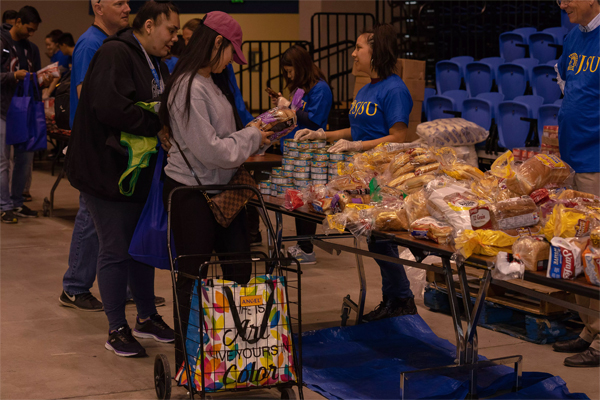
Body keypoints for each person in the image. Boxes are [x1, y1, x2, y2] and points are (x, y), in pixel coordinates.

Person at [65, 1, 179, 357]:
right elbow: (108, 106)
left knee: (141, 247)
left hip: (136, 174)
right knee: (115, 249)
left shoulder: (154, 63)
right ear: (148, 26)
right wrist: (156, 121)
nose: (174, 38)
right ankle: (116, 327)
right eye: (170, 30)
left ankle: (146, 316)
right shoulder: (115, 52)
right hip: (106, 172)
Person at [159, 11, 272, 367]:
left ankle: (235, 356)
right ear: (217, 43)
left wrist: (260, 134)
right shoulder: (188, 87)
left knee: (239, 271)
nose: (231, 62)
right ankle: (187, 363)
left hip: (223, 193)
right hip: (194, 194)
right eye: (230, 53)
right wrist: (253, 135)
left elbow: (225, 141)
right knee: (192, 278)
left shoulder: (211, 83)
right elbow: (213, 151)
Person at [295, 24, 416, 321]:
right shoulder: (365, 88)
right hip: (361, 175)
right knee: (375, 240)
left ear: (377, 52)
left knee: (383, 240)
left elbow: (399, 137)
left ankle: (401, 299)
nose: (353, 53)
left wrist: (359, 144)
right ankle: (394, 300)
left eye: (359, 47)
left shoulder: (395, 89)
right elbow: (357, 129)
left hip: (384, 176)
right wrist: (323, 135)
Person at [59, 0, 132, 312]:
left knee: (109, 220)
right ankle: (75, 286)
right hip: (94, 148)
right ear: (98, 7)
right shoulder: (90, 44)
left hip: (108, 146)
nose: (127, 7)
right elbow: (87, 96)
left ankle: (121, 287)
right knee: (91, 218)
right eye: (119, 2)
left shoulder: (111, 43)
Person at [552, 0, 600, 368]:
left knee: (598, 252)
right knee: (578, 248)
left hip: (596, 162)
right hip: (571, 158)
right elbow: (568, 91)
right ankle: (591, 328)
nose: (563, 3)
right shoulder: (572, 37)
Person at [270, 45, 332, 264]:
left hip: (309, 153)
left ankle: (307, 248)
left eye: (291, 71)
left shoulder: (320, 89)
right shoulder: (300, 89)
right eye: (286, 72)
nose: (289, 76)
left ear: (301, 66)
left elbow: (314, 120)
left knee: (306, 200)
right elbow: (294, 118)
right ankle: (302, 245)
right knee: (297, 200)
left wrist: (291, 109)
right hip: (294, 151)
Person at [1, 6, 47, 224]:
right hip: (2, 110)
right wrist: (13, 76)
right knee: (3, 161)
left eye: (33, 30)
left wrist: (43, 79)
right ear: (17, 21)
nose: (30, 33)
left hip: (25, 110)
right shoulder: (2, 43)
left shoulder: (32, 49)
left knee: (24, 159)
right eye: (28, 29)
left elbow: (35, 76)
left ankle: (17, 200)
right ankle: (4, 205)